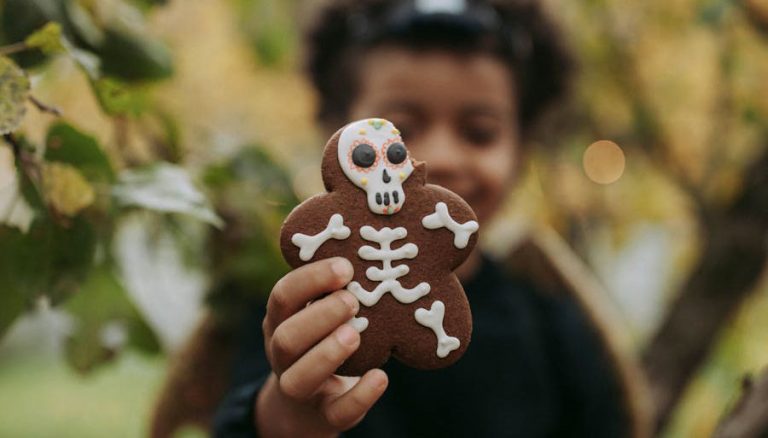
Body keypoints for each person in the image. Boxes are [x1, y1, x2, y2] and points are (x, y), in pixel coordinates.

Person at [213, 0, 635, 436]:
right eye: (400, 132)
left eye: (480, 132)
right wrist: (284, 417)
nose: (440, 159)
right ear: (334, 139)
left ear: (520, 151)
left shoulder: (557, 333)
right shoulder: (296, 311)